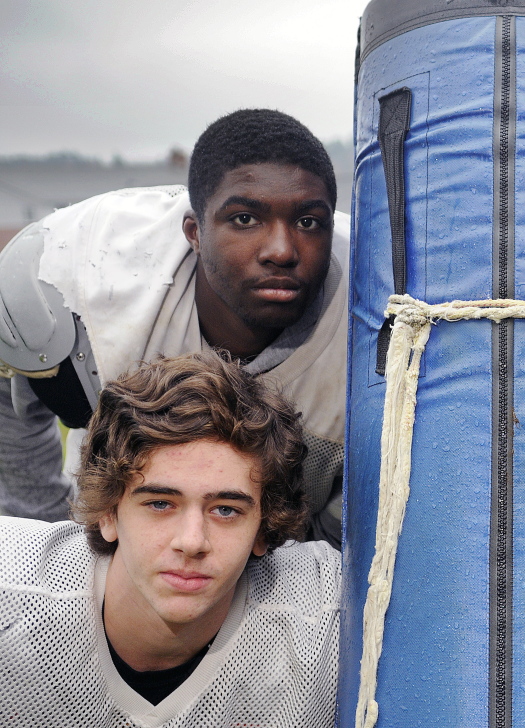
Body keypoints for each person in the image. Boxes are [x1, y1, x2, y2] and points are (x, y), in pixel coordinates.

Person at [0, 109, 348, 545]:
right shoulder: (83, 274)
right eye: (245, 219)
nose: (281, 249)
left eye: (308, 222)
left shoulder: (374, 317)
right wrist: (53, 539)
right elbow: (11, 401)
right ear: (195, 232)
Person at [0, 351, 341, 725]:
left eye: (226, 509)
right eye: (161, 503)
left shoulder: (330, 618)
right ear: (108, 512)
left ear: (264, 527)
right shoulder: (12, 592)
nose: (192, 541)